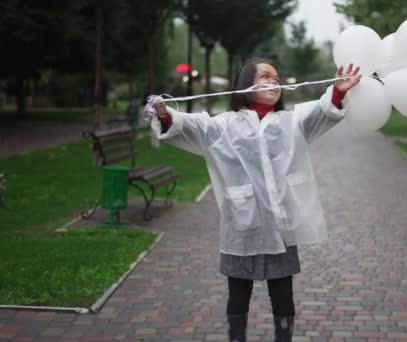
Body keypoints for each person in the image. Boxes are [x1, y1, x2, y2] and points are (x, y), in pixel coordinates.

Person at [150, 57, 361, 342]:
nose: (273, 80)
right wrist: (163, 113)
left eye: (276, 76)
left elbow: (321, 112)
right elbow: (187, 126)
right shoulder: (223, 126)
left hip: (280, 227)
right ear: (246, 84)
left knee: (283, 295)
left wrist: (338, 92)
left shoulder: (291, 123)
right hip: (242, 227)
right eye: (265, 75)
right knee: (238, 296)